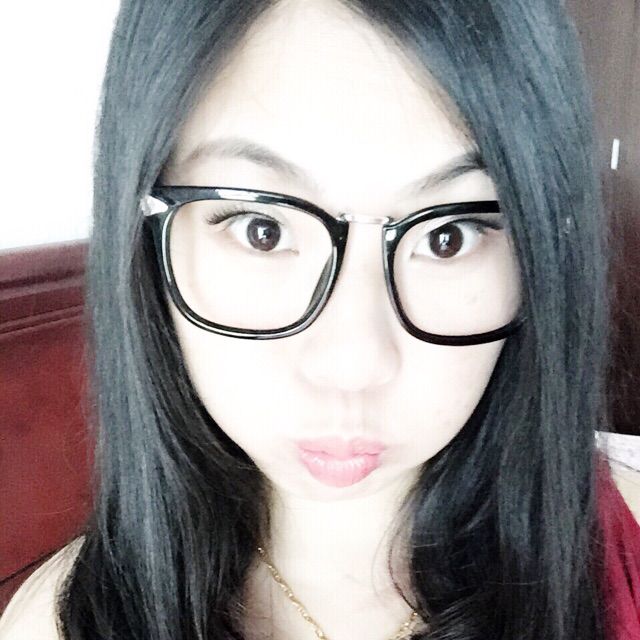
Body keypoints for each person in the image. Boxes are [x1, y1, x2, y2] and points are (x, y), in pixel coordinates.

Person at [1, 0, 639, 639]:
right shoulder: (53, 625)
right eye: (263, 228)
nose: (351, 365)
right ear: (144, 238)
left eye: (448, 236)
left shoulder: (625, 545)